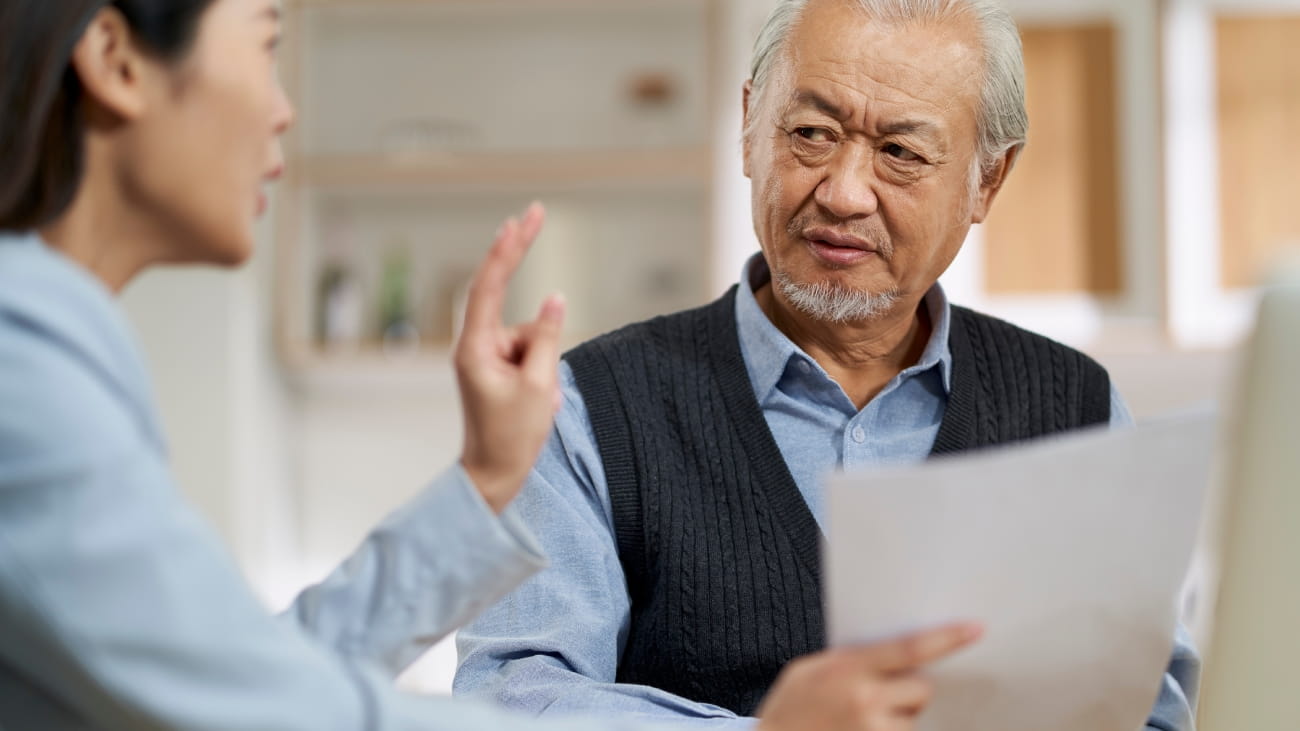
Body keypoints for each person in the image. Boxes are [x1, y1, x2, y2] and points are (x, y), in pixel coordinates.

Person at [0, 1, 987, 729]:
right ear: (116, 59)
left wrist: (483, 482)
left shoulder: (55, 348)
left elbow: (245, 676)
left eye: (902, 150)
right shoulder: (22, 368)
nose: (284, 110)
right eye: (264, 46)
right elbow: (267, 711)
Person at [453, 0, 1200, 729]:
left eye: (901, 152)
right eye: (811, 132)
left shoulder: (1075, 411)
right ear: (749, 129)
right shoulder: (585, 408)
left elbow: (1151, 709)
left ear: (988, 181)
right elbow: (511, 695)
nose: (843, 193)